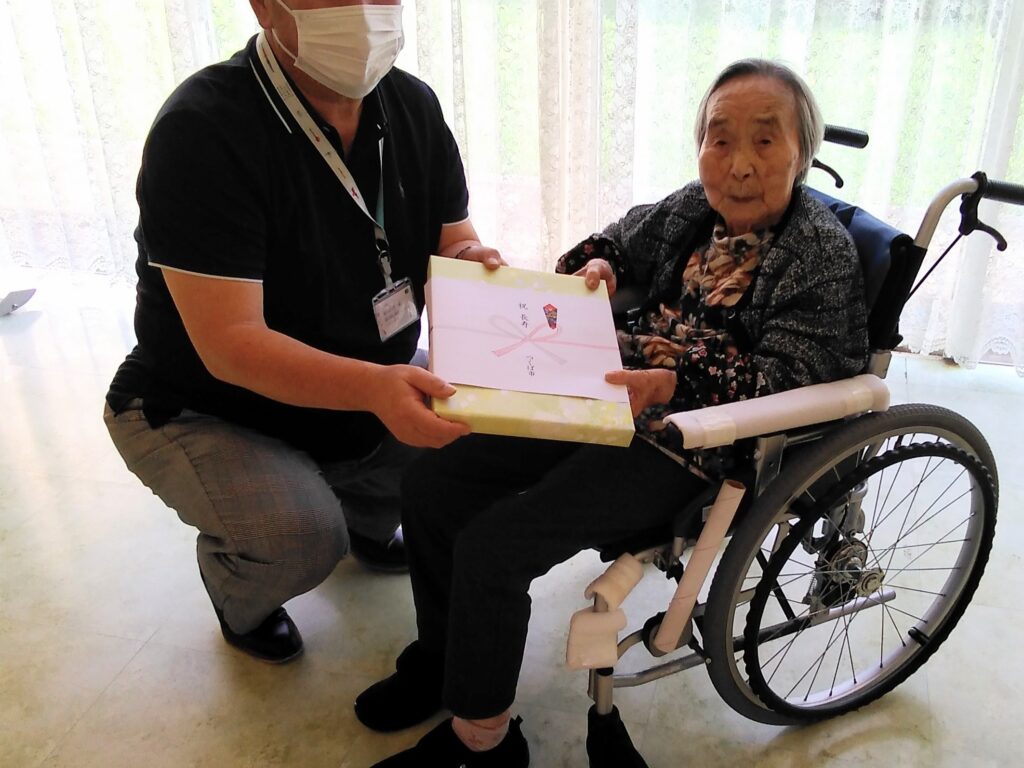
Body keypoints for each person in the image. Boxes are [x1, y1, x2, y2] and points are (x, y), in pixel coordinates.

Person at [353, 59, 870, 767]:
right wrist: (601, 266)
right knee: (431, 484)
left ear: (802, 150)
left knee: (496, 546)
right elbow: (619, 241)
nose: (739, 164)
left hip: (697, 445)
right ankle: (445, 661)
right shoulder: (692, 209)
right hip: (607, 393)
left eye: (764, 139)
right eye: (720, 139)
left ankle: (484, 742)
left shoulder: (819, 253)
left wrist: (673, 380)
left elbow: (794, 379)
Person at [103, 0, 502, 665]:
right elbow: (231, 344)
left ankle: (366, 516)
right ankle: (239, 586)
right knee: (303, 537)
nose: (364, 12)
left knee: (478, 432)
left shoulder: (412, 107)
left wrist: (469, 261)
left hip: (357, 385)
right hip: (209, 406)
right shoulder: (202, 130)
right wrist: (375, 388)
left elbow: (452, 238)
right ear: (265, 6)